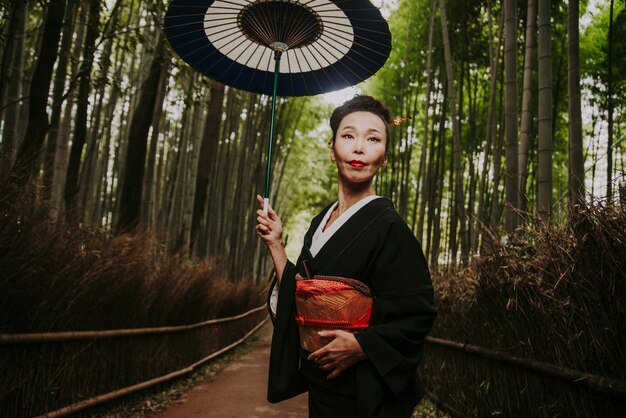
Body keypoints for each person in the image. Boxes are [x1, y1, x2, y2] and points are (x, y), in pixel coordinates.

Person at [255, 95, 437, 418]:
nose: (359, 147)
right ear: (332, 148)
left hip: (366, 395)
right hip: (323, 385)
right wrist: (276, 244)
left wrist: (362, 346)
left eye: (373, 139)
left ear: (384, 159)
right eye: (349, 135)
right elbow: (300, 294)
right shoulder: (320, 222)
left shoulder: (390, 228)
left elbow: (418, 313)